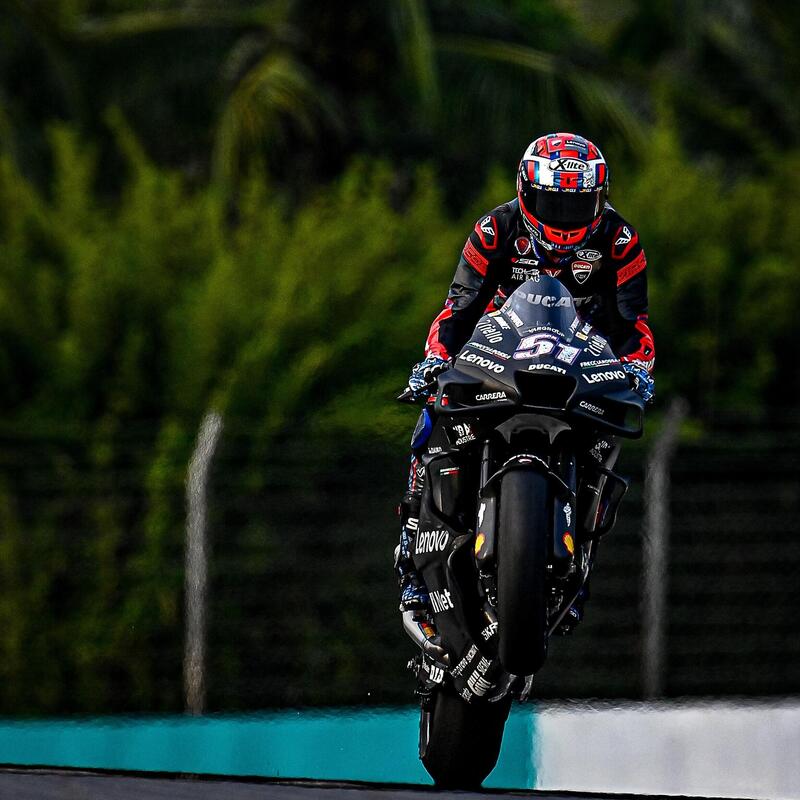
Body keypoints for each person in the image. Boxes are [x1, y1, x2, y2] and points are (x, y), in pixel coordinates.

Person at [395, 132, 655, 626]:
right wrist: (435, 359)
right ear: (525, 191)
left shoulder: (620, 240)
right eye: (552, 203)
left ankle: (579, 563)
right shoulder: (494, 230)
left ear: (600, 199)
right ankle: (411, 555)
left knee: (608, 440)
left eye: (576, 205)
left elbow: (631, 323)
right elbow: (459, 308)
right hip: (498, 352)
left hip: (579, 361)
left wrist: (638, 369)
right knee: (432, 415)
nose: (563, 218)